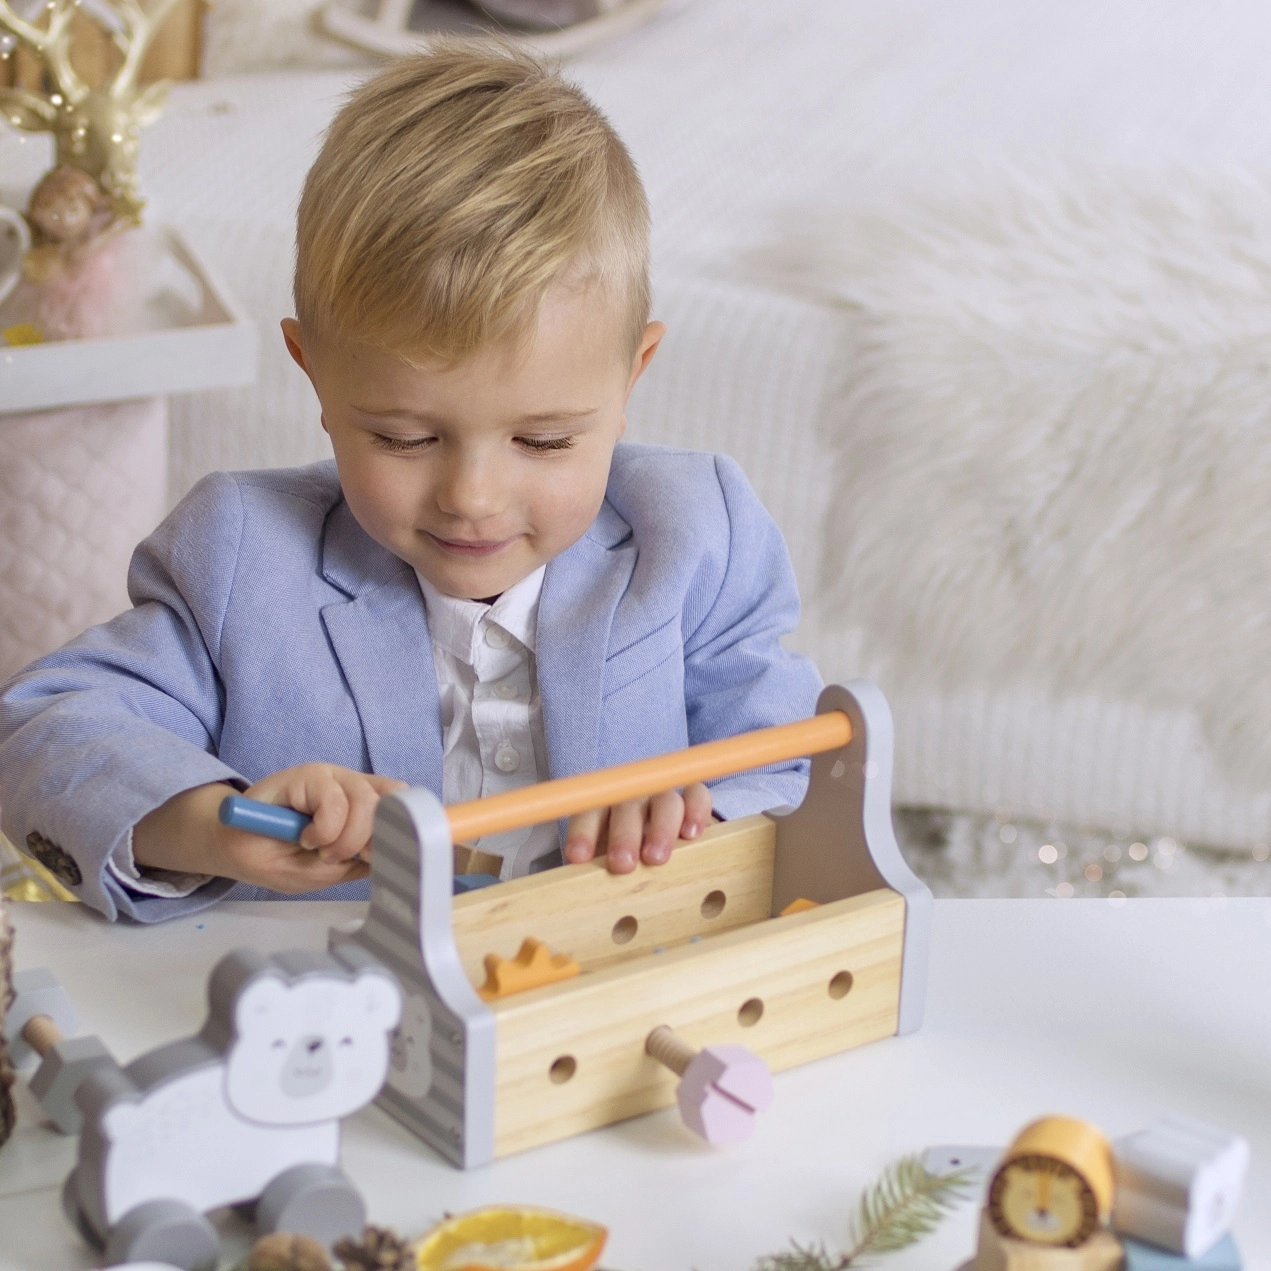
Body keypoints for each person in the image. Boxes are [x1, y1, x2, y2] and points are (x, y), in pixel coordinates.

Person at [0, 44, 822, 923]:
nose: (471, 495)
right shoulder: (241, 556)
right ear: (312, 372)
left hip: (617, 985)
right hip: (330, 993)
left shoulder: (692, 536)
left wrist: (705, 819)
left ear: (631, 377)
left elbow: (797, 764)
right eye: (405, 437)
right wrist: (211, 822)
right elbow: (43, 730)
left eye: (542, 440)